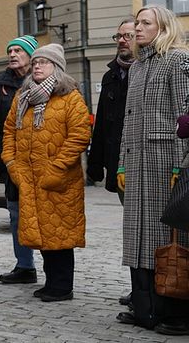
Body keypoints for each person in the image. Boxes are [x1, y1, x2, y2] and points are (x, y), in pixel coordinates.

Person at [116, 6, 189, 335]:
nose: (137, 28)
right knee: (137, 238)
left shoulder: (177, 60)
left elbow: (185, 115)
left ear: (164, 27)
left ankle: (173, 312)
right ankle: (143, 307)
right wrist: (121, 163)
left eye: (146, 23)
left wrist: (181, 165)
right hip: (137, 164)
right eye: (137, 22)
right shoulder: (136, 67)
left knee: (168, 237)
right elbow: (127, 121)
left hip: (165, 163)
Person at [2, 43, 91, 302]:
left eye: (45, 62)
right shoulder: (23, 96)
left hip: (59, 180)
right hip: (28, 178)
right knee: (41, 232)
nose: (38, 66)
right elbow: (9, 131)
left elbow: (79, 135)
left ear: (57, 67)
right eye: (36, 62)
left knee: (60, 234)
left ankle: (62, 286)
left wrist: (57, 167)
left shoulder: (70, 97)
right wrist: (11, 163)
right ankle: (51, 281)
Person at [0, 34, 39, 284]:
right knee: (16, 213)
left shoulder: (43, 79)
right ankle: (25, 266)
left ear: (31, 55)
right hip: (13, 161)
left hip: (40, 159)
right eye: (10, 50)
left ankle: (54, 269)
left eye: (18, 50)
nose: (13, 54)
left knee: (45, 214)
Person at [86, 18, 134, 307]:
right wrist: (95, 164)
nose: (122, 40)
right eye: (119, 35)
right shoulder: (111, 75)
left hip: (147, 162)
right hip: (119, 165)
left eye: (128, 35)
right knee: (131, 227)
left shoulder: (148, 69)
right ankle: (139, 286)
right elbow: (102, 121)